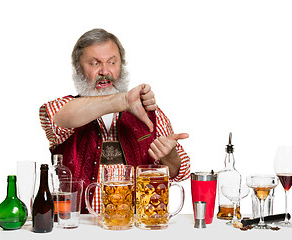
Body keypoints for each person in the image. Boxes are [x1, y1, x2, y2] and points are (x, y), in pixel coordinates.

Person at [39, 28, 190, 213]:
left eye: (112, 62)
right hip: (79, 225)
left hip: (137, 224)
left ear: (121, 65)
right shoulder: (65, 107)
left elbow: (177, 172)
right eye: (95, 63)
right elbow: (57, 120)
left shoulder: (149, 112)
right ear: (78, 68)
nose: (105, 71)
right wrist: (124, 100)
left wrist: (169, 154)